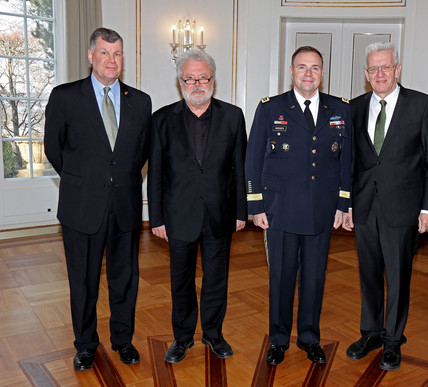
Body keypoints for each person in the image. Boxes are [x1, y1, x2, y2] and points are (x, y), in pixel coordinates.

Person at [44, 27, 151, 371]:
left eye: (117, 54)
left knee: (125, 279)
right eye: (104, 53)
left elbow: (141, 152)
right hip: (81, 206)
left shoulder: (141, 101)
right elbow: (53, 149)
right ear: (91, 56)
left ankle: (122, 339)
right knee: (84, 281)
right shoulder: (65, 96)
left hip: (125, 206)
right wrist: (83, 180)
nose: (111, 60)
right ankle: (86, 344)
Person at [245, 46, 351, 366]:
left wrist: (342, 204)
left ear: (322, 73)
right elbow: (253, 159)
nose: (308, 73)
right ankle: (278, 339)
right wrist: (256, 205)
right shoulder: (270, 108)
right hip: (280, 208)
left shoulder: (340, 109)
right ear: (291, 72)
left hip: (322, 208)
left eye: (315, 68)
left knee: (315, 278)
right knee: (281, 277)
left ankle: (309, 337)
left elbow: (347, 159)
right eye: (302, 67)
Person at [342, 41, 428, 371]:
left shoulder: (421, 105)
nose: (380, 74)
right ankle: (370, 332)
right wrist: (348, 205)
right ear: (366, 74)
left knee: (398, 277)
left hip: (404, 209)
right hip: (365, 206)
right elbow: (351, 162)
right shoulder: (354, 108)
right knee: (369, 274)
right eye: (373, 69)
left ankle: (393, 340)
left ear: (397, 69)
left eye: (386, 67)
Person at [147, 49, 247, 363]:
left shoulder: (233, 116)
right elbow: (156, 174)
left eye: (203, 77)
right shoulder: (162, 119)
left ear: (213, 80)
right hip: (178, 216)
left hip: (220, 214)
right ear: (180, 83)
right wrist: (157, 217)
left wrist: (241, 213)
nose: (197, 83)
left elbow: (240, 169)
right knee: (181, 281)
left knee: (217, 279)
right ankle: (182, 337)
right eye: (190, 78)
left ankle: (213, 335)